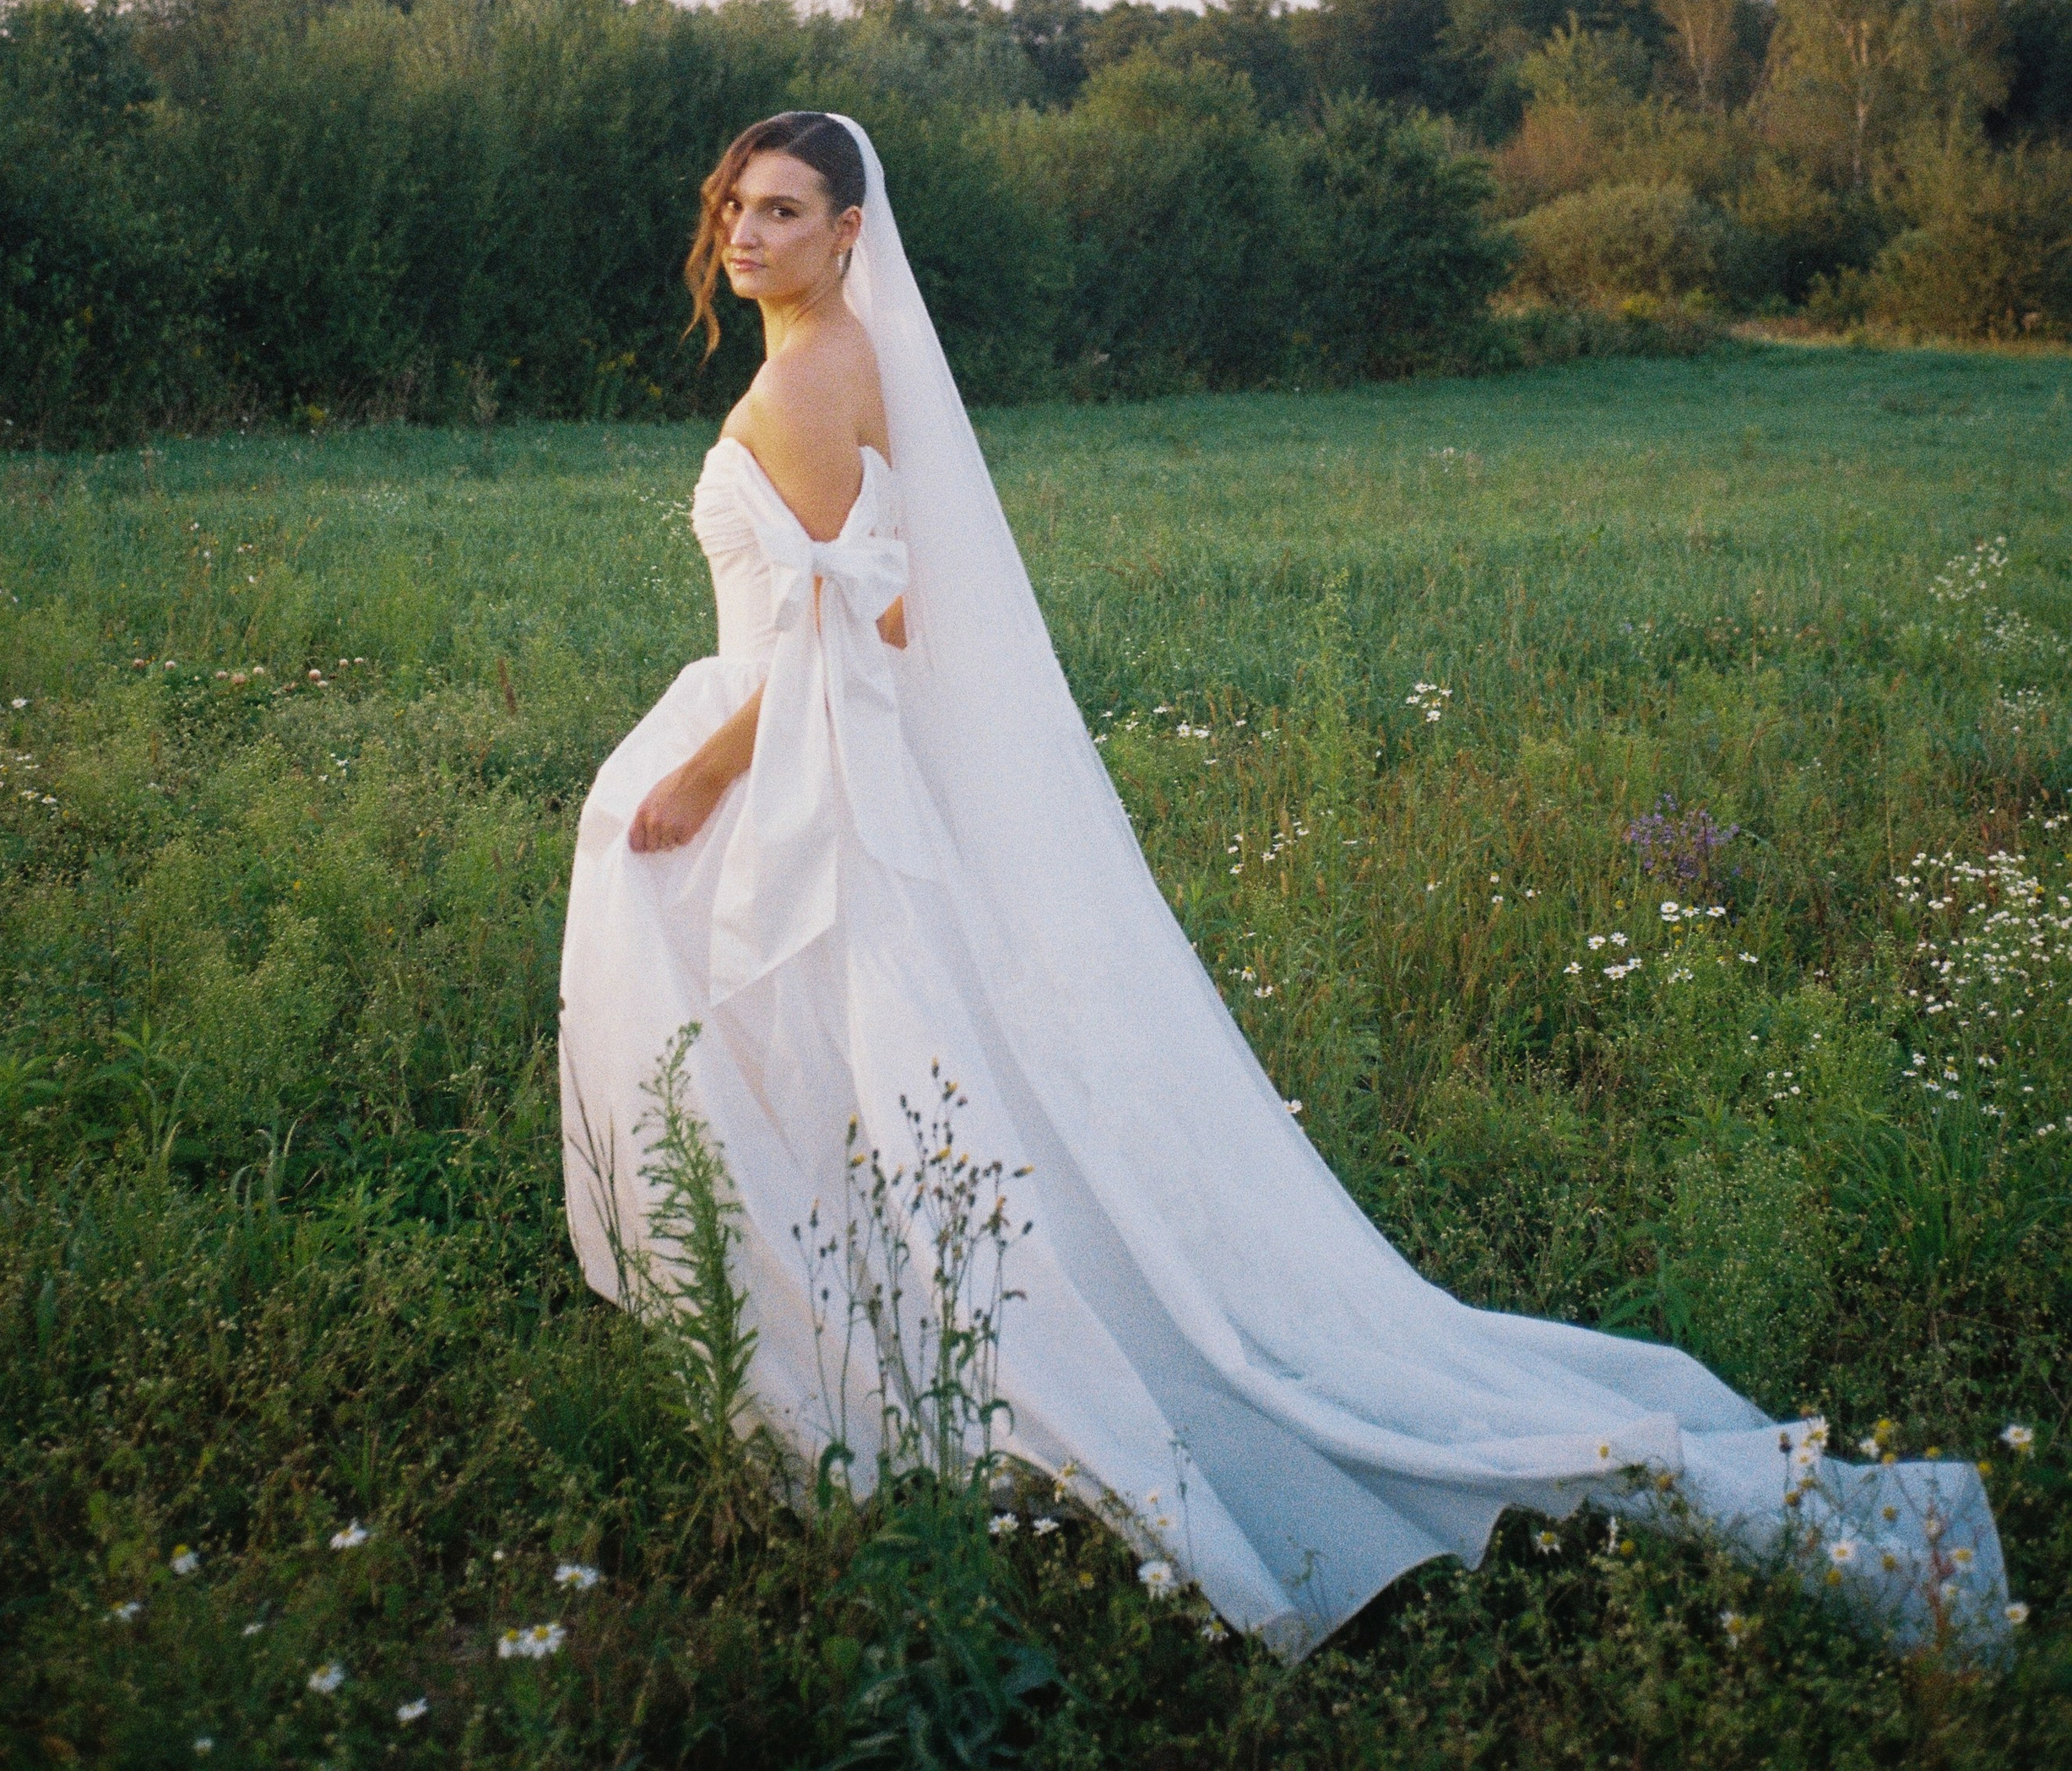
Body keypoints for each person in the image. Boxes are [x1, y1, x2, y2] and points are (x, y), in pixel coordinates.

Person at [560, 112, 2005, 1659]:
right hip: (826, 755)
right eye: (736, 206)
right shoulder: (851, 357)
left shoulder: (801, 380)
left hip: (787, 762)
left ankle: (891, 1373)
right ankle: (893, 1343)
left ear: (850, 232)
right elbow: (892, 616)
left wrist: (700, 778)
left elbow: (848, 633)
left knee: (826, 1066)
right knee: (874, 1074)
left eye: (783, 210)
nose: (746, 234)